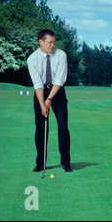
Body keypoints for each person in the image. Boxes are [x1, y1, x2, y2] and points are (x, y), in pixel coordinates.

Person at [27, 29, 72, 172]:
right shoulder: (32, 59)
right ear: (41, 41)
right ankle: (41, 163)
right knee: (41, 128)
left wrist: (50, 99)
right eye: (49, 42)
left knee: (63, 127)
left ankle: (65, 162)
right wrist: (42, 104)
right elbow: (37, 84)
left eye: (54, 42)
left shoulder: (61, 55)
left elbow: (59, 80)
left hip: (57, 92)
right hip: (41, 93)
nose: (52, 45)